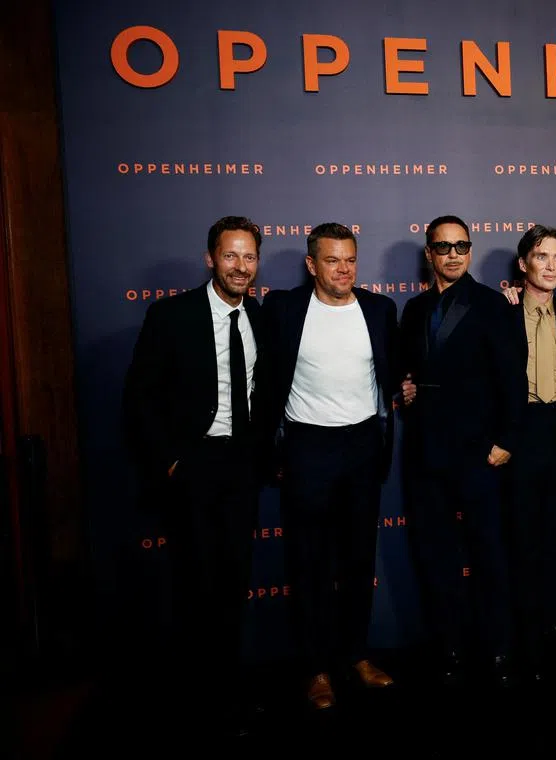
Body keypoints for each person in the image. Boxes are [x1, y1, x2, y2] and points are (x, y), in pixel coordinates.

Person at [122, 215, 262, 728]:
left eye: (249, 257)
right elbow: (140, 399)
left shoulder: (262, 318)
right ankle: (196, 698)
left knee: (233, 580)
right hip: (194, 464)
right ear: (211, 259)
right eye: (231, 255)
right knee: (195, 581)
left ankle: (227, 689)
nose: (240, 266)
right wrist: (172, 461)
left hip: (241, 465)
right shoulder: (172, 315)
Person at [256, 222, 399, 709]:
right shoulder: (282, 308)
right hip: (306, 447)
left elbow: (395, 373)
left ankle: (356, 656)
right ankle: (315, 668)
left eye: (351, 259)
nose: (344, 269)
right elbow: (262, 378)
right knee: (309, 563)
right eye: (333, 260)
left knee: (359, 560)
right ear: (311, 264)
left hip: (363, 447)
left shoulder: (381, 309)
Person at [398, 215, 527, 686]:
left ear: (469, 251)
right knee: (437, 556)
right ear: (429, 253)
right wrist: (404, 389)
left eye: (461, 246)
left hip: (480, 453)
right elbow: (404, 371)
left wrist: (507, 442)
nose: (453, 254)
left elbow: (515, 379)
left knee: (490, 553)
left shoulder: (495, 307)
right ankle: (449, 645)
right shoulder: (413, 310)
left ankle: (498, 647)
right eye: (443, 247)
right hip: (427, 454)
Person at [502, 224, 556, 680]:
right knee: (522, 541)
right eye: (541, 257)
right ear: (523, 264)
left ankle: (554, 631)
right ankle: (525, 639)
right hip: (521, 435)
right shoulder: (503, 315)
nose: (551, 266)